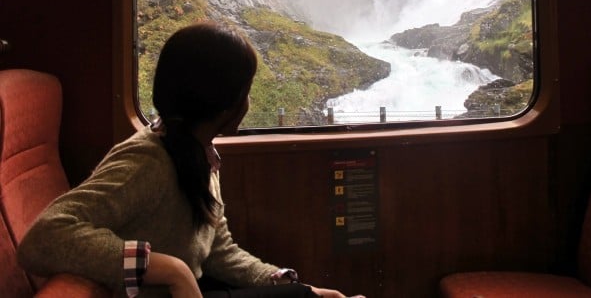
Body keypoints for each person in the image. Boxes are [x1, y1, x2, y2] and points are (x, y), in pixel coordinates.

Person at [18, 22, 365, 298]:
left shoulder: (200, 154)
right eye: (244, 92)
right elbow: (44, 238)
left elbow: (217, 250)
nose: (247, 104)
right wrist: (170, 269)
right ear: (224, 102)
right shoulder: (147, 160)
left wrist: (285, 283)